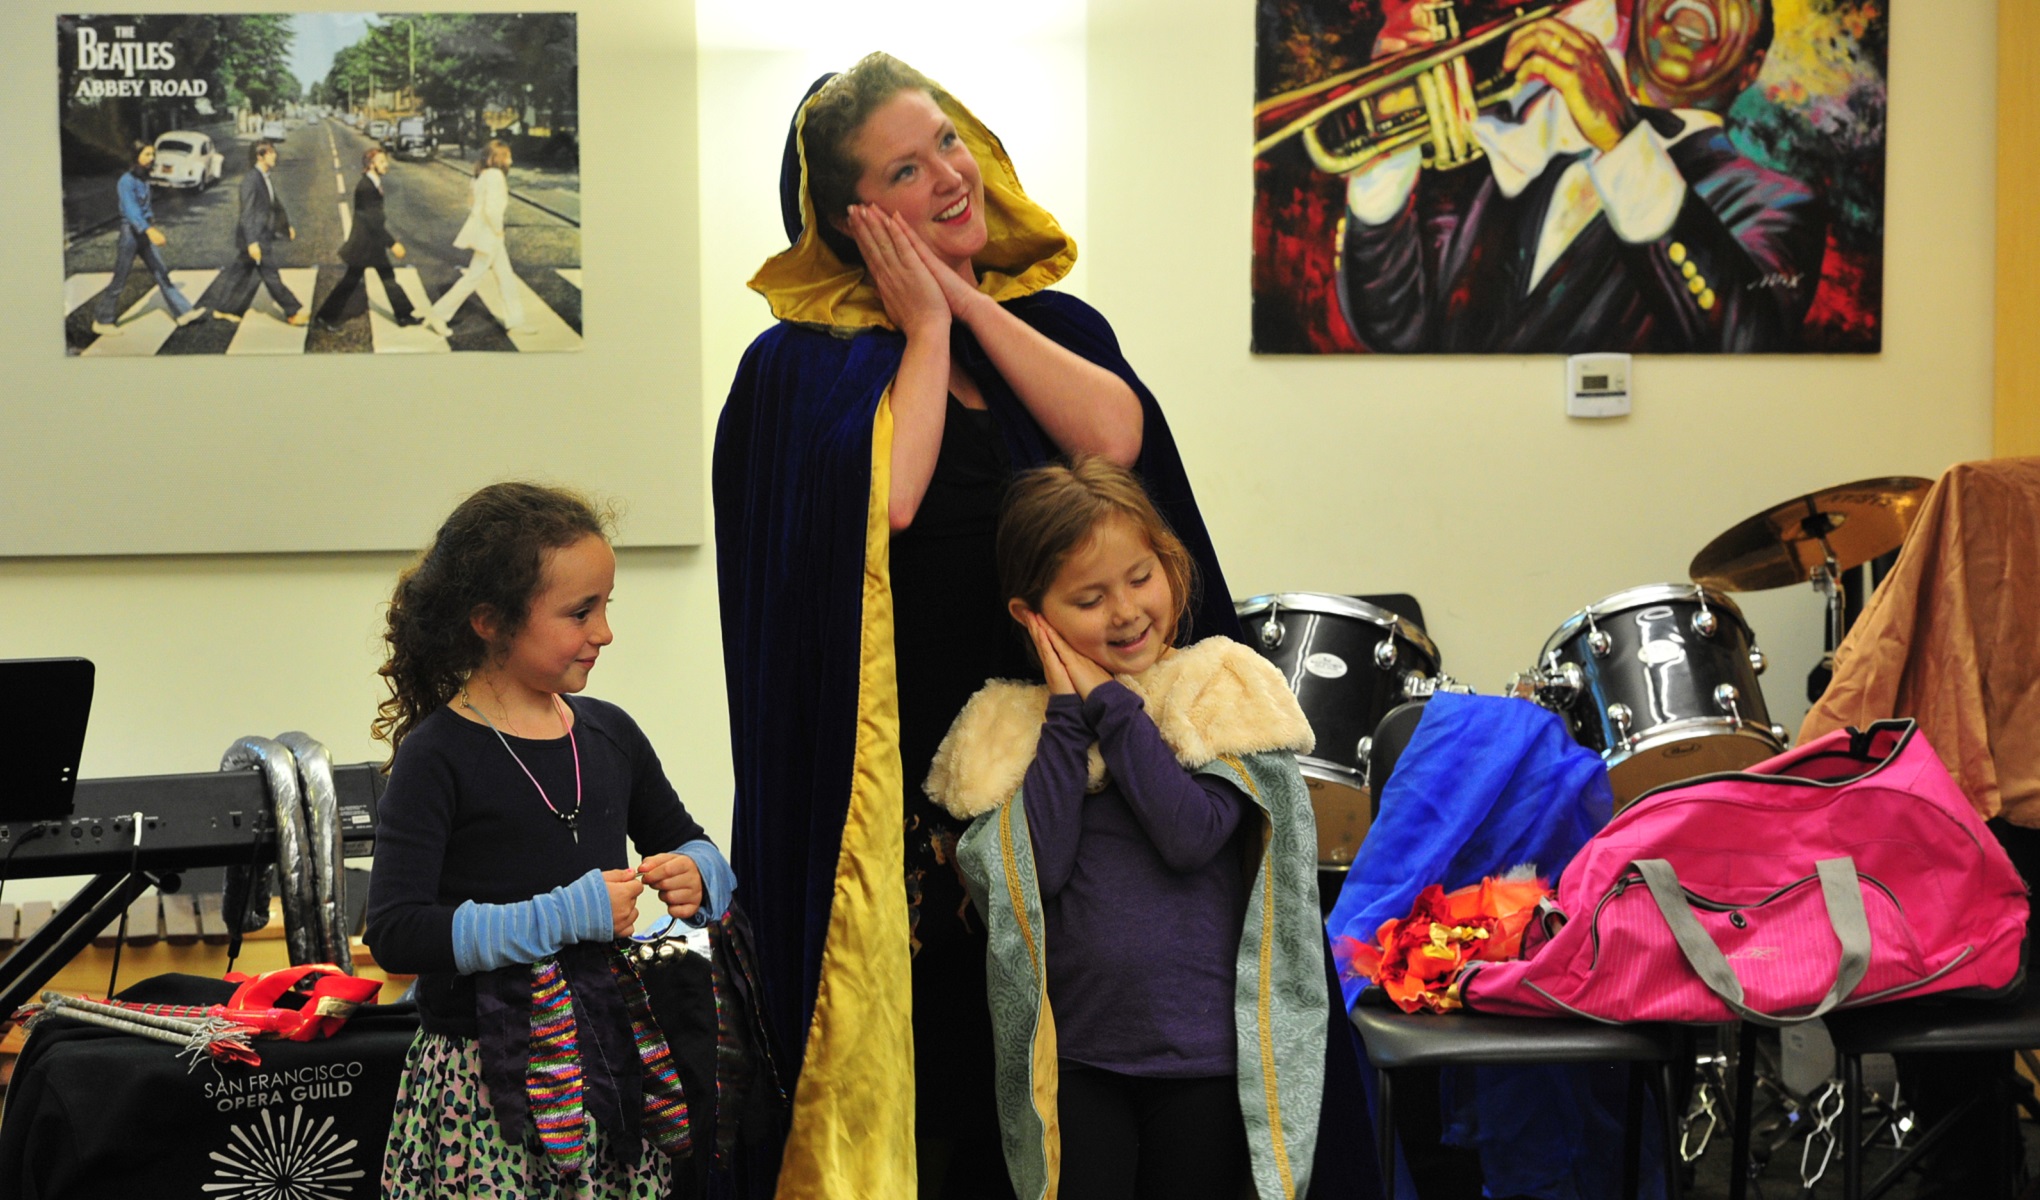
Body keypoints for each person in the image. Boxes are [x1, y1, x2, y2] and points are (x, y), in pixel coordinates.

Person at [713, 53, 1244, 1199]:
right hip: (916, 810)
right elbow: (885, 504)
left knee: (1087, 1085)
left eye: (949, 141)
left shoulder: (1049, 324)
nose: (951, 175)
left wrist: (960, 298)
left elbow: (1115, 436)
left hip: (1083, 773)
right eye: (908, 167)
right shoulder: (802, 370)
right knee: (952, 1095)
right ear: (856, 220)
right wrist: (921, 332)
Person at [925, 456, 1327, 1200]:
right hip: (1080, 1066)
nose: (1124, 611)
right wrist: (1070, 716)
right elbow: (1031, 878)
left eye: (1140, 578)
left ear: (1170, 566)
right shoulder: (1009, 728)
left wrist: (1114, 704)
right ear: (1033, 615)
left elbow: (1191, 835)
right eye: (1088, 597)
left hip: (1205, 1062)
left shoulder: (1215, 688)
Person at [364, 481, 736, 1198]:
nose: (603, 631)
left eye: (606, 606)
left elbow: (694, 845)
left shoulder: (610, 735)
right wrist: (565, 917)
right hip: (483, 1093)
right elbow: (398, 931)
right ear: (489, 621)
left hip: (602, 1072)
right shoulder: (437, 754)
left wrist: (697, 875)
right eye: (579, 612)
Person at [1335, 0, 1826, 353]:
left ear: (1751, 69)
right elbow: (1394, 330)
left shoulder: (1778, 205)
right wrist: (1389, 149)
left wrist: (1623, 142)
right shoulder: (1513, 153)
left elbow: (1745, 338)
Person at [89, 140, 207, 335]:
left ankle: (183, 312)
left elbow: (145, 207)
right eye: (147, 154)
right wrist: (150, 230)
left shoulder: (143, 178)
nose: (151, 158)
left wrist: (150, 224)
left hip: (143, 231)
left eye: (153, 154)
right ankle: (102, 320)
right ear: (135, 157)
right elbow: (131, 210)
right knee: (120, 278)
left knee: (161, 272)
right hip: (131, 234)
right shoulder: (126, 181)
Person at [425, 139, 530, 336]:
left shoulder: (481, 176)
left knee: (505, 277)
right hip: (491, 236)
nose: (511, 161)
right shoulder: (496, 176)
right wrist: (498, 230)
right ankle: (439, 315)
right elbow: (491, 210)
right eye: (508, 156)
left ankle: (515, 321)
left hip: (486, 234)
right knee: (473, 278)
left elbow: (472, 204)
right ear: (497, 158)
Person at [314, 146, 423, 332]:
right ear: (371, 165)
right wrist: (393, 243)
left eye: (385, 161)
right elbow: (373, 222)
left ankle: (403, 315)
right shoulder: (366, 187)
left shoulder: (372, 183)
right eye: (381, 162)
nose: (385, 164)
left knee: (388, 277)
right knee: (350, 281)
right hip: (365, 245)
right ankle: (325, 317)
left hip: (372, 244)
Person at [212, 140, 306, 326]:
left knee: (240, 273)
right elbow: (246, 213)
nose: (275, 156)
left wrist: (286, 226)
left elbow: (274, 205)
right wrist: (252, 242)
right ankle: (292, 311)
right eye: (270, 153)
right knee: (270, 274)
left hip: (259, 234)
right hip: (255, 236)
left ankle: (222, 309)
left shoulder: (263, 177)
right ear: (259, 156)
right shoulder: (251, 179)